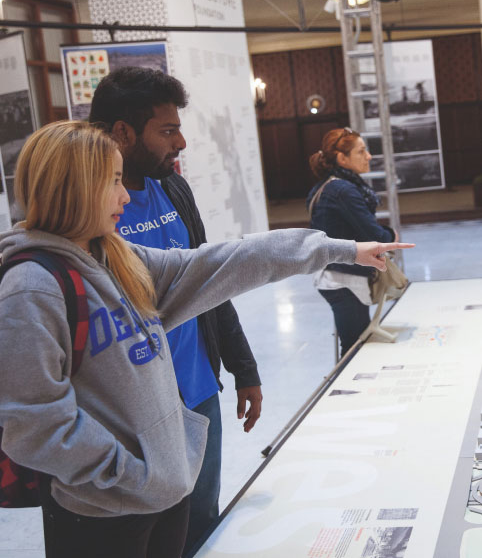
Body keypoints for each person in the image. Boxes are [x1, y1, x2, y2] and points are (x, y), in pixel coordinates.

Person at [0, 120, 410, 558]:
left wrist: (337, 249)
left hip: (162, 493)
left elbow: (224, 261)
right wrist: (132, 476)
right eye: (114, 181)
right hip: (102, 511)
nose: (124, 196)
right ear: (74, 186)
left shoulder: (119, 258)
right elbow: (34, 424)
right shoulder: (31, 287)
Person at [88, 66, 262, 553]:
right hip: (137, 410)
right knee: (151, 535)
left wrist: (242, 367)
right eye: (167, 131)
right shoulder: (91, 212)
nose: (180, 142)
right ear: (123, 133)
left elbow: (210, 280)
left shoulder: (174, 189)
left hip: (199, 391)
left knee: (202, 520)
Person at [307, 127, 398, 357]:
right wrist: (391, 236)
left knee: (354, 343)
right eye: (361, 151)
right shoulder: (342, 190)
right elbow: (374, 235)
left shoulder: (327, 186)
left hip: (335, 275)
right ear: (342, 158)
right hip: (342, 280)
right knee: (355, 349)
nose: (368, 156)